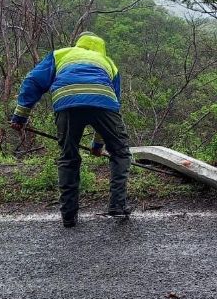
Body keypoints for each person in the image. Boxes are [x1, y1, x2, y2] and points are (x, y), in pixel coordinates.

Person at [10, 32, 132, 228]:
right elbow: (113, 105)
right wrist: (98, 145)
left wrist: (20, 116)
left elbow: (33, 81)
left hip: (67, 102)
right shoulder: (109, 63)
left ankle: (68, 215)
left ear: (79, 44)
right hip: (103, 102)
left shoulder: (61, 54)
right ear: (101, 48)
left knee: (69, 156)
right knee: (120, 152)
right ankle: (117, 206)